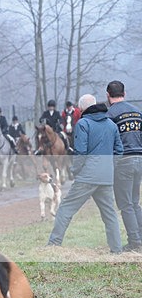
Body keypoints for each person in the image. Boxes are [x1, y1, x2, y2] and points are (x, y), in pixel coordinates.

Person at [47, 94, 123, 253]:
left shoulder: (83, 123)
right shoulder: (111, 124)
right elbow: (119, 151)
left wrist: (74, 170)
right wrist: (109, 166)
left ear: (81, 108)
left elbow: (80, 153)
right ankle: (117, 250)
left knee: (66, 208)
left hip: (87, 177)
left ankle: (53, 245)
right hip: (106, 177)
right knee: (110, 215)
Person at [106, 80, 142, 252]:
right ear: (124, 93)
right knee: (135, 202)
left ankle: (135, 242)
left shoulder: (109, 115)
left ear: (108, 95)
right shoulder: (138, 112)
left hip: (123, 162)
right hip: (139, 159)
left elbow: (109, 142)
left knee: (126, 204)